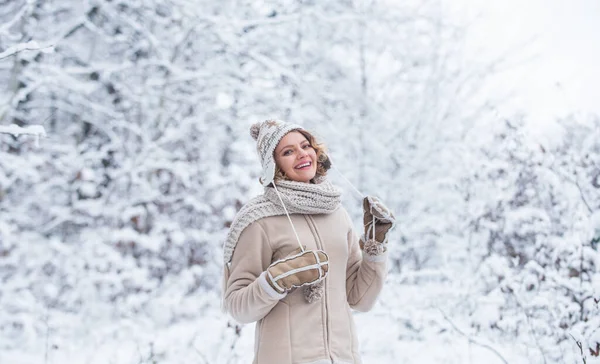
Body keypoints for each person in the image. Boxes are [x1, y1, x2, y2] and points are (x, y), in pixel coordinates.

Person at [222, 119, 395, 364]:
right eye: (288, 151)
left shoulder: (336, 212)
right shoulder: (259, 221)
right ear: (274, 164)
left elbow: (360, 298)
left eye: (305, 146)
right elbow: (238, 307)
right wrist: (275, 281)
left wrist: (375, 247)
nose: (302, 154)